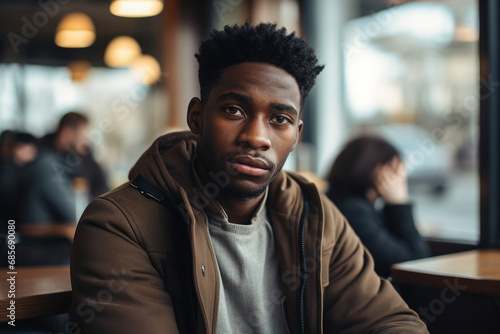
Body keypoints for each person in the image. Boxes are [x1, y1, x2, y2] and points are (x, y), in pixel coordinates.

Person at [69, 23, 428, 333]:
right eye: (234, 110)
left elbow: (393, 321)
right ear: (197, 117)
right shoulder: (118, 225)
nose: (257, 136)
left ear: (297, 134)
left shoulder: (313, 215)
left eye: (280, 119)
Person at [326, 135, 431, 278]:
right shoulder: (353, 211)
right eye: (396, 170)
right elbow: (415, 263)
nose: (401, 178)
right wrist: (399, 203)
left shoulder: (344, 202)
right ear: (379, 171)